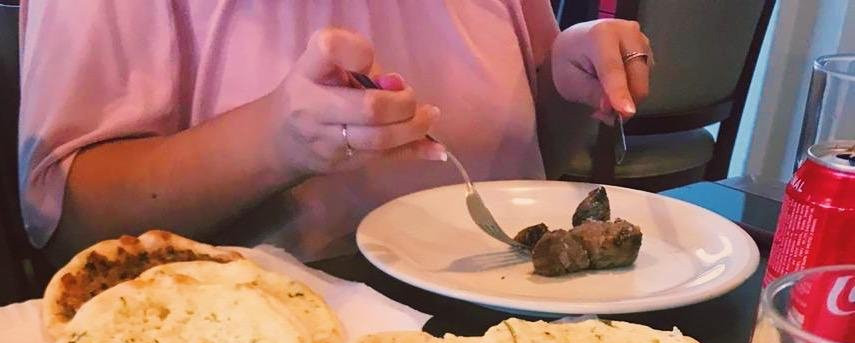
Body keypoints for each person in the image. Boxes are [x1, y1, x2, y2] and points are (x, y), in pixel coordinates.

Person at [18, 1, 652, 263]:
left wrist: (570, 80)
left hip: (522, 335)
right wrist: (274, 141)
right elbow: (70, 219)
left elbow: (534, 150)